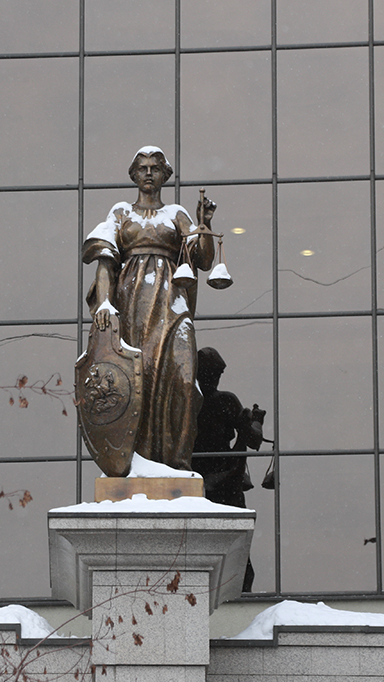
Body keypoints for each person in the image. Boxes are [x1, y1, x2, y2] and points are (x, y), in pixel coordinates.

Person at [81, 146, 216, 471]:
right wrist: (104, 302)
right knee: (139, 378)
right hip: (132, 304)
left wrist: (204, 224)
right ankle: (140, 461)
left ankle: (176, 461)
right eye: (142, 168)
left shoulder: (177, 215)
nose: (149, 173)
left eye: (155, 167)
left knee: (181, 378)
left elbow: (203, 259)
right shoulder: (121, 212)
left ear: (165, 174)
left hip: (173, 303)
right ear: (134, 174)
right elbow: (104, 261)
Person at [192, 346, 265, 591]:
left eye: (217, 374)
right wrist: (255, 423)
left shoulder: (190, 403)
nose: (215, 379)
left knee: (225, 556)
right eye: (213, 374)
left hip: (204, 485)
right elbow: (253, 440)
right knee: (234, 557)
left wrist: (250, 425)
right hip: (218, 485)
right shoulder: (220, 401)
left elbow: (251, 441)